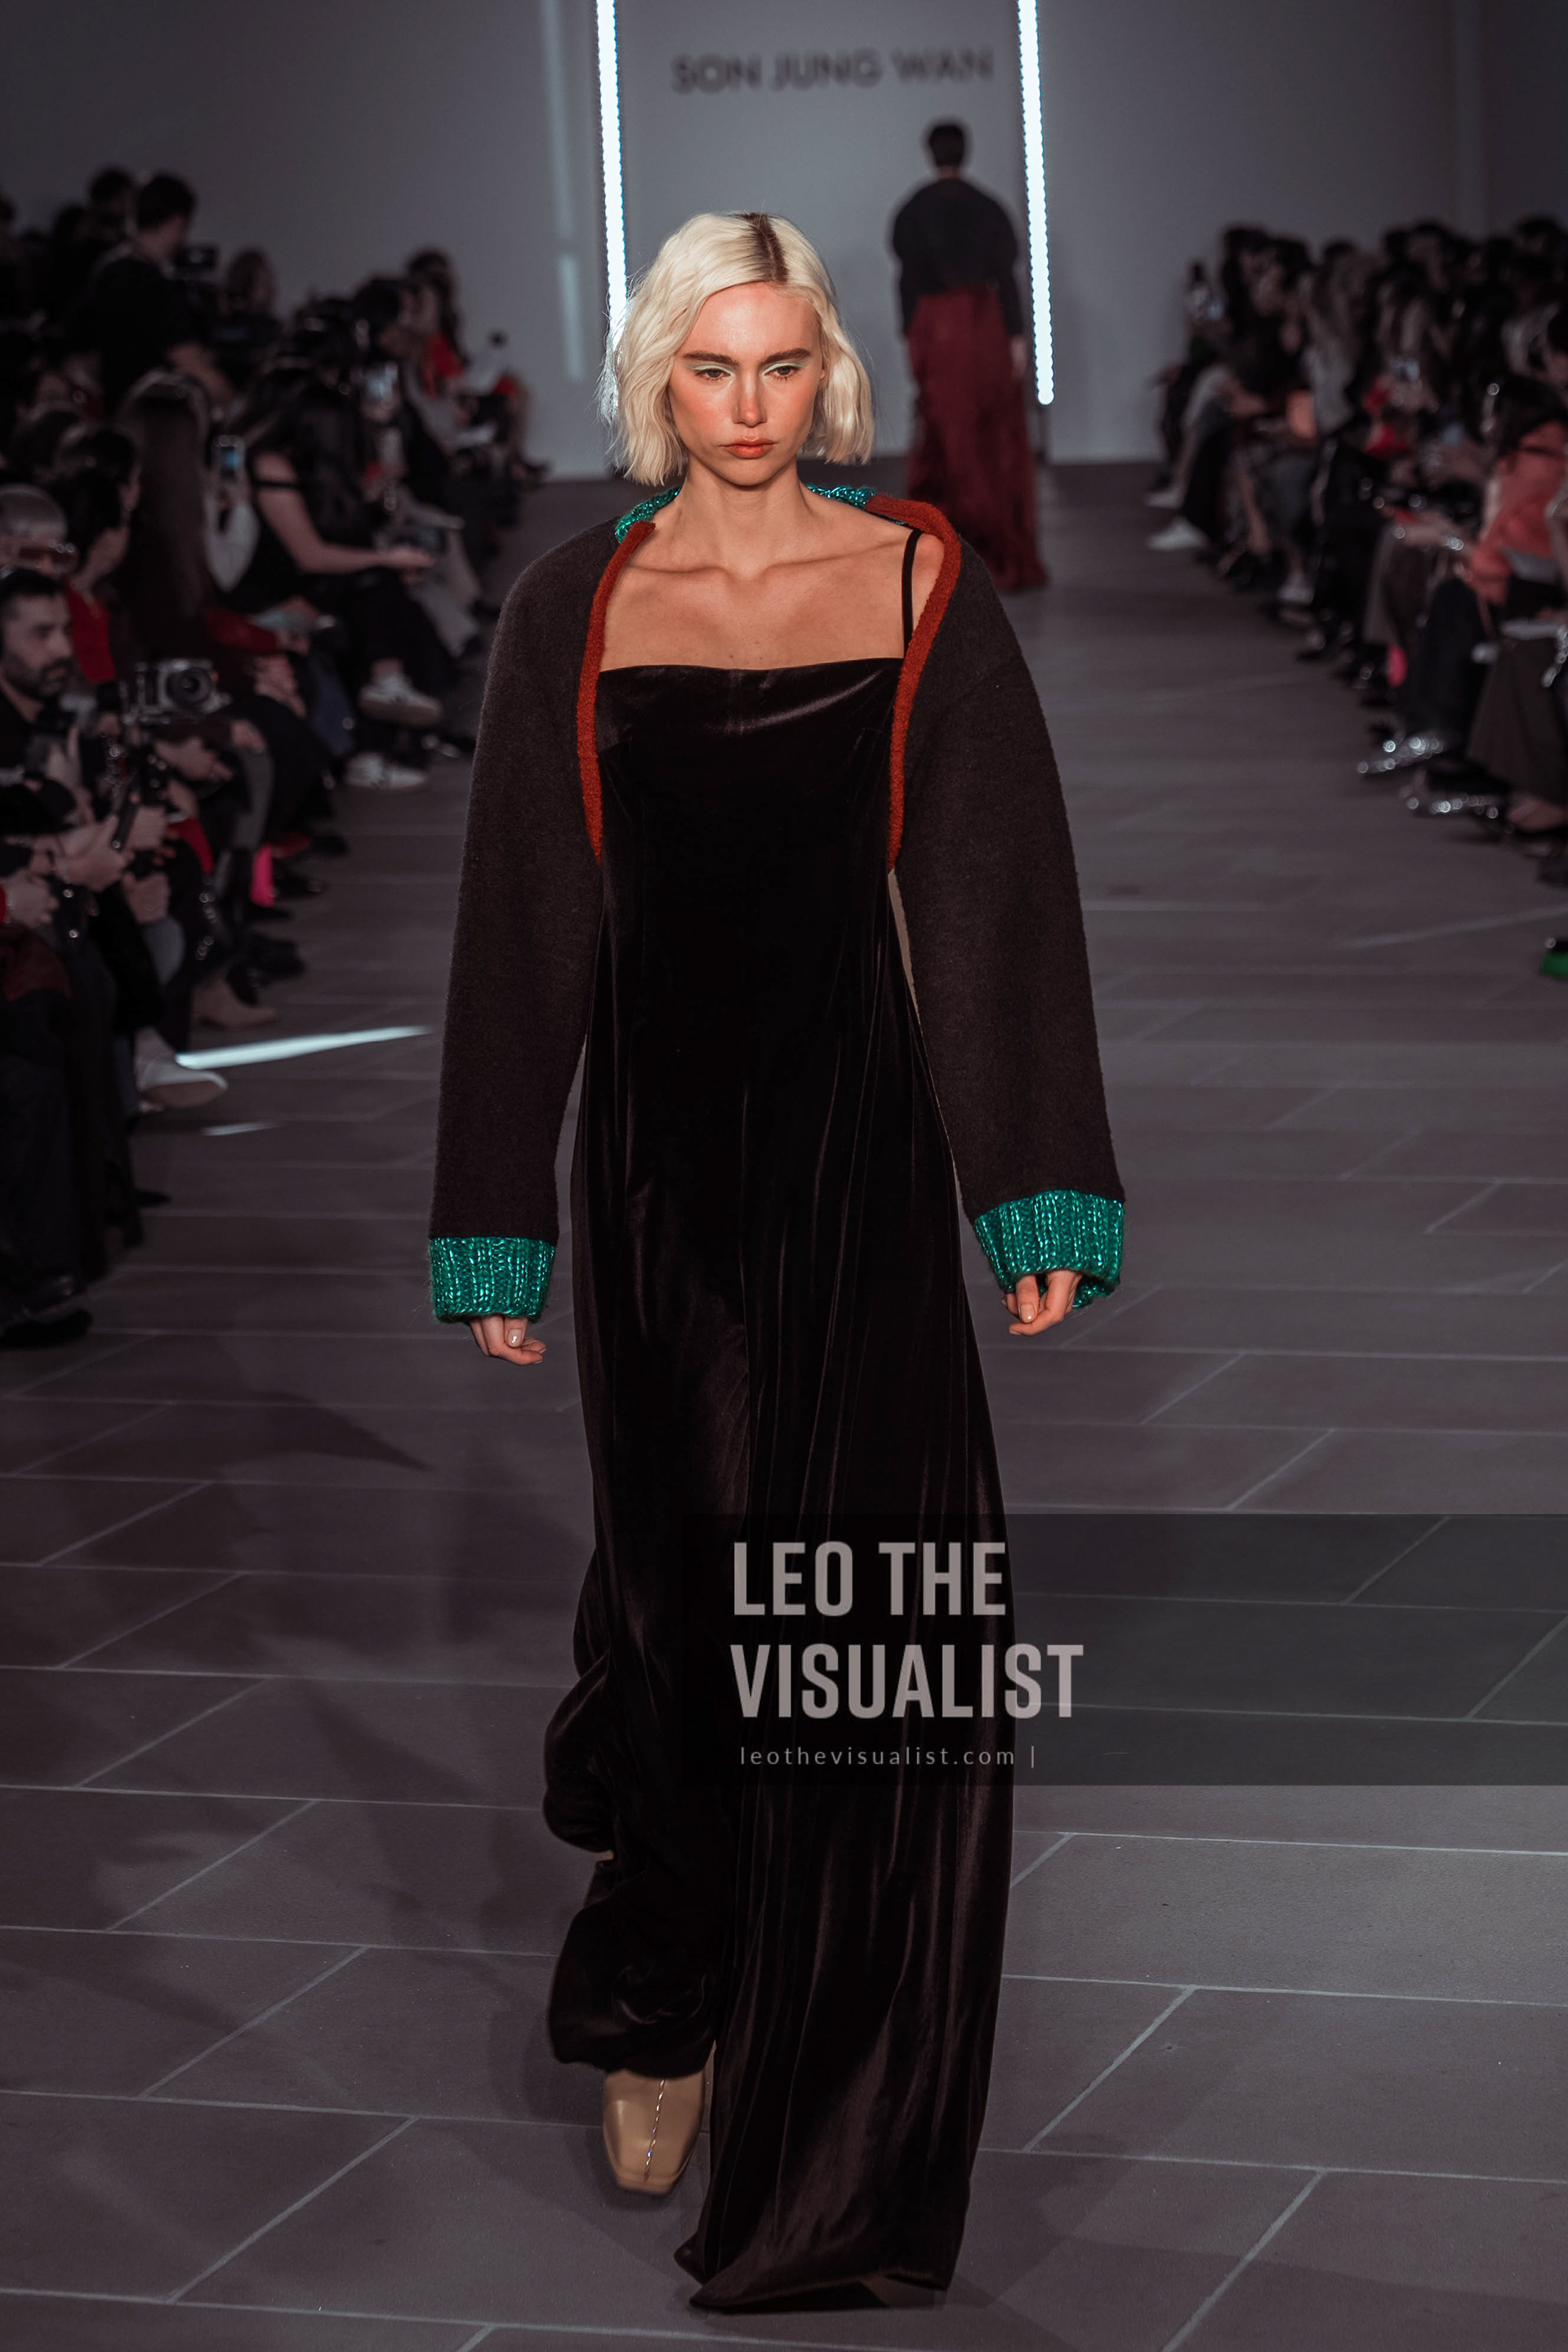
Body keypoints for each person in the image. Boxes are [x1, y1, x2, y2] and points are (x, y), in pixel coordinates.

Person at [428, 209, 1121, 2309]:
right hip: (665, 1192)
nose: (748, 406)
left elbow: (996, 896)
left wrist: (1031, 1183)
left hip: (860, 1161)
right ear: (661, 378)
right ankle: (674, 1982)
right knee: (690, 1608)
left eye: (782, 365)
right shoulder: (577, 605)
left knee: (887, 1635)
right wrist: (496, 1210)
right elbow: (525, 921)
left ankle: (845, 2129)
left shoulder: (916, 583)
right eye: (711, 368)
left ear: (833, 372)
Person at [891, 120, 1047, 590]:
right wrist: (1016, 337)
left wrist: (913, 338)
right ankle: (994, 546)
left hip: (937, 327)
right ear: (966, 151)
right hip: (984, 324)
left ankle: (946, 551)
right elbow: (1006, 276)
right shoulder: (989, 207)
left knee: (946, 433)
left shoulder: (913, 209)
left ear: (929, 153)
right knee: (991, 433)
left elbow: (908, 280)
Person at [75, 173, 232, 418]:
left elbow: (85, 356)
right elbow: (190, 364)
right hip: (154, 422)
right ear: (177, 223)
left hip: (113, 412)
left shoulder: (105, 269)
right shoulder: (150, 284)